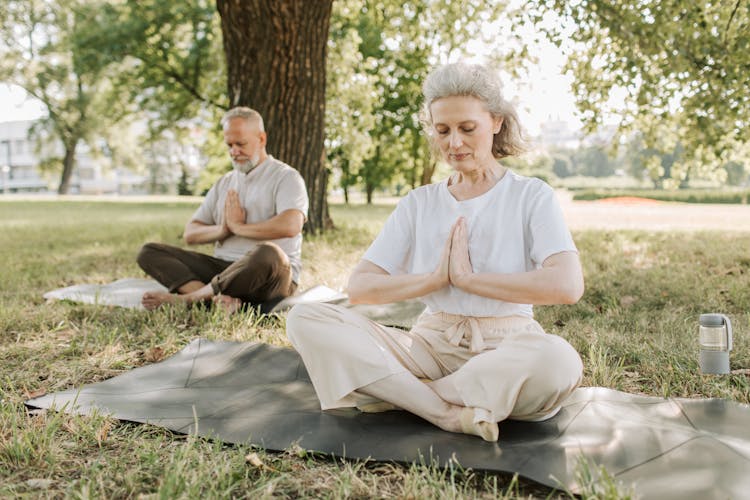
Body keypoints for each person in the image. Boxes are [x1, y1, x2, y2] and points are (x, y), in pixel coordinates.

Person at [286, 63, 584, 442]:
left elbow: (567, 285)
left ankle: (401, 394)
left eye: (467, 128)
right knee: (305, 318)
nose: (454, 143)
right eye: (443, 131)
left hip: (507, 345)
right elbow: (361, 287)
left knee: (557, 362)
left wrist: (469, 280)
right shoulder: (419, 203)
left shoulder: (531, 195)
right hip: (428, 345)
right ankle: (444, 411)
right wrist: (434, 279)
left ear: (495, 122)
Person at [137, 107, 308, 312]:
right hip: (223, 269)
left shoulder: (286, 177)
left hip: (268, 275)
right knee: (149, 252)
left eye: (241, 144)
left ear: (261, 139)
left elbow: (291, 225)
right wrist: (223, 230)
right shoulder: (224, 182)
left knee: (269, 253)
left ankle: (191, 299)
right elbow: (191, 233)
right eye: (229, 145)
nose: (234, 151)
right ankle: (214, 301)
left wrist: (238, 227)